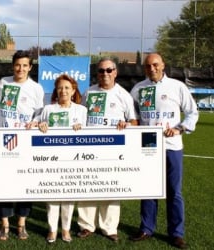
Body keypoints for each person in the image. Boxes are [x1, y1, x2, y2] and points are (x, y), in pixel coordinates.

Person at [129, 53, 198, 249]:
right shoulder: (138, 89)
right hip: (148, 144)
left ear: (163, 65)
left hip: (172, 145)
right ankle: (146, 228)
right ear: (144, 68)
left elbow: (192, 112)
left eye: (155, 65)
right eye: (148, 66)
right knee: (148, 190)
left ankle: (176, 233)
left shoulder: (177, 87)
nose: (152, 69)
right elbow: (132, 115)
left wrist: (180, 128)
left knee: (174, 192)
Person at [76, 58, 138, 242]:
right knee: (87, 184)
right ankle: (86, 225)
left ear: (115, 72)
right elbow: (79, 115)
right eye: (101, 71)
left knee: (111, 186)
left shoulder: (123, 95)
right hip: (88, 147)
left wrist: (126, 124)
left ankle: (109, 227)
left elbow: (134, 121)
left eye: (109, 70)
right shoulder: (89, 93)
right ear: (97, 74)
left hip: (113, 150)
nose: (105, 74)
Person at [0, 50, 45, 240]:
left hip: (25, 142)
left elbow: (40, 114)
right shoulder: (3, 84)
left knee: (26, 182)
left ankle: (21, 223)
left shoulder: (36, 88)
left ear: (30, 67)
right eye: (17, 65)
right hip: (3, 141)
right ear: (12, 65)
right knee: (3, 183)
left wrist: (36, 121)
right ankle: (4, 224)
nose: (20, 69)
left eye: (25, 65)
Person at [36, 74, 87, 244]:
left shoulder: (81, 111)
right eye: (60, 88)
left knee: (69, 197)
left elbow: (88, 134)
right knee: (52, 196)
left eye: (67, 88)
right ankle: (52, 229)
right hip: (51, 160)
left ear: (73, 91)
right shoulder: (48, 110)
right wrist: (40, 125)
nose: (63, 91)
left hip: (73, 160)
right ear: (55, 91)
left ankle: (65, 230)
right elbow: (34, 125)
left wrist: (82, 128)